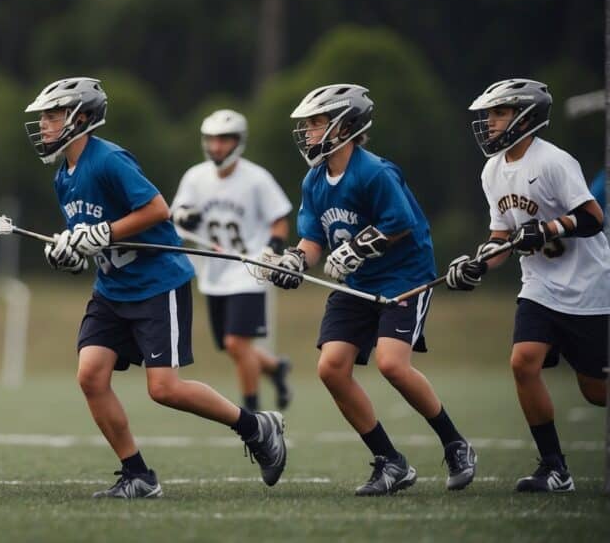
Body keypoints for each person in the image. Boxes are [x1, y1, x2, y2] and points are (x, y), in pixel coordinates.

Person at [26, 77, 287, 499]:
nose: (43, 125)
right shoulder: (63, 177)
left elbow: (156, 209)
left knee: (164, 389)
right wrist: (72, 253)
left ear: (82, 118)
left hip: (155, 284)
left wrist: (103, 233)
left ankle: (256, 426)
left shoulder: (109, 160)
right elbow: (93, 239)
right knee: (91, 376)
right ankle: (138, 475)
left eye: (51, 116)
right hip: (111, 289)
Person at [259, 83, 476, 495]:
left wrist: (357, 248)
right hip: (357, 283)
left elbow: (399, 222)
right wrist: (295, 261)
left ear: (344, 126)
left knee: (393, 364)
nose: (307, 132)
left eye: (316, 123)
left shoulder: (374, 171)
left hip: (404, 277)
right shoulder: (314, 180)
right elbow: (312, 238)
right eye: (306, 125)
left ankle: (455, 444)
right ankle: (390, 462)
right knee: (331, 368)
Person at [445, 78, 608, 492]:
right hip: (539, 286)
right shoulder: (491, 171)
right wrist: (478, 264)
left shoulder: (553, 162)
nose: (490, 122)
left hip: (589, 288)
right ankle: (555, 469)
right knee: (523, 363)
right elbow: (501, 239)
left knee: (596, 392)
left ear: (525, 116)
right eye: (489, 114)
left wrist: (549, 227)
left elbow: (593, 217)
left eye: (498, 113)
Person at [170, 109, 293, 411]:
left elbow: (280, 220)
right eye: (212, 139)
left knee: (238, 344)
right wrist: (182, 216)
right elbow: (175, 218)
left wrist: (271, 249)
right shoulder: (195, 177)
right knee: (230, 345)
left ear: (238, 141)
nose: (217, 146)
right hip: (212, 273)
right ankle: (276, 368)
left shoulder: (256, 179)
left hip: (248, 271)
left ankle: (252, 414)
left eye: (224, 139)